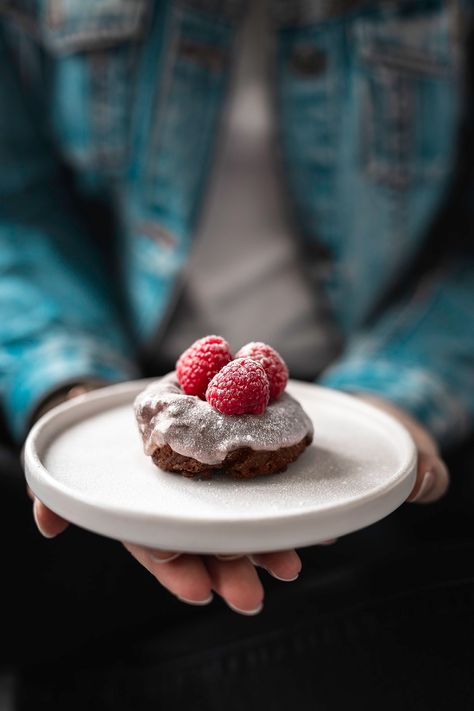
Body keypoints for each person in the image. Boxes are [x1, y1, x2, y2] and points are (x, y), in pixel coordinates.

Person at [1, 0, 474, 708]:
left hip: (376, 377)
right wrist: (71, 391)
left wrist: (398, 393)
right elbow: (16, 202)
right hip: (123, 361)